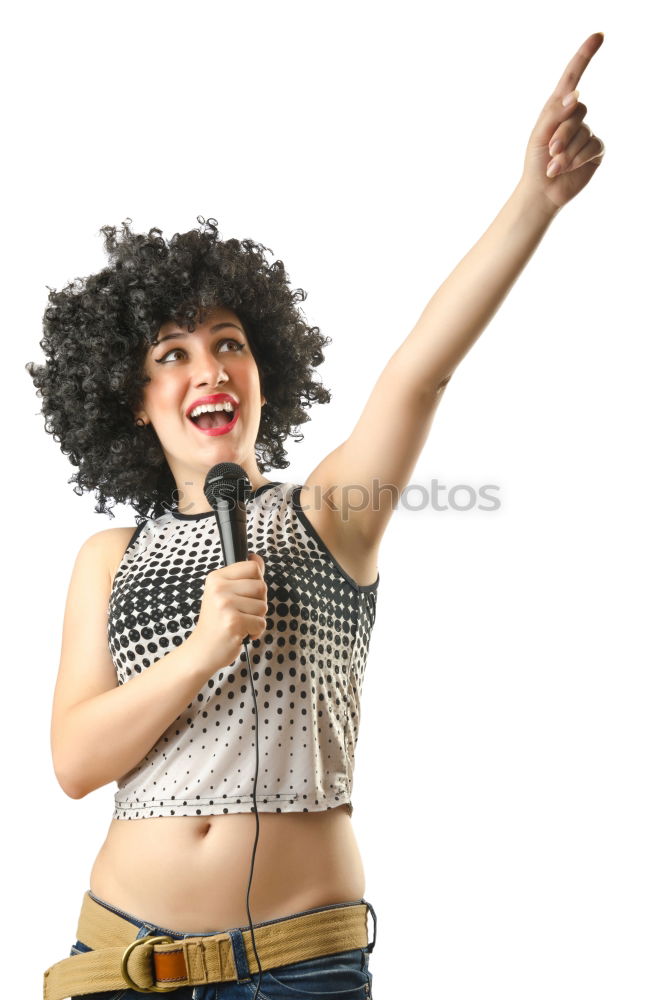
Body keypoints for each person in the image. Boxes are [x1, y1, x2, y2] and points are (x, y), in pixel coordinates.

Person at [28, 31, 605, 1000]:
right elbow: (75, 762)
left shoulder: (330, 513)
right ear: (129, 398)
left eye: (228, 343)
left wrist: (531, 203)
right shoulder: (108, 556)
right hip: (126, 959)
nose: (207, 366)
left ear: (264, 373)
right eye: (171, 353)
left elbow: (419, 371)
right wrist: (202, 648)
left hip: (303, 965)